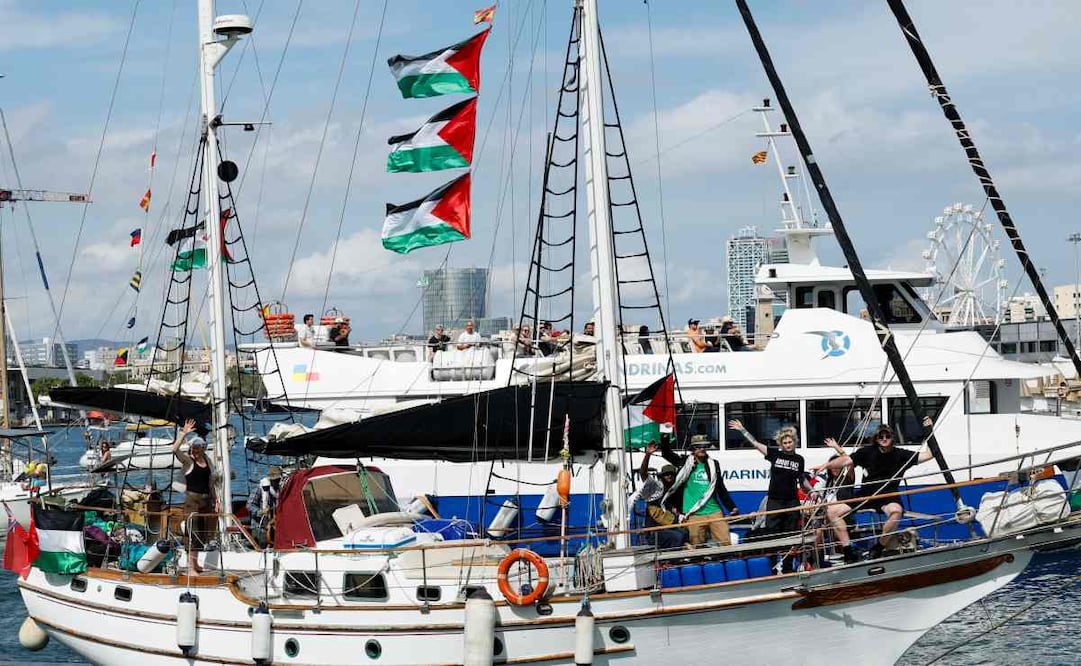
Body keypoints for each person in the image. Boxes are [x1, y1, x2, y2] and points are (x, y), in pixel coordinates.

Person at [813, 417, 935, 562]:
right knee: (832, 511)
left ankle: (879, 547)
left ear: (892, 437)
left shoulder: (901, 454)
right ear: (876, 439)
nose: (884, 438)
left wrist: (929, 431)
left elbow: (929, 455)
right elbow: (846, 460)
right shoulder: (867, 452)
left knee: (896, 512)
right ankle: (847, 550)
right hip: (866, 494)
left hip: (888, 495)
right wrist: (827, 465)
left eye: (887, 436)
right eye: (880, 436)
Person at [729, 420, 808, 537]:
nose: (788, 445)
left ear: (794, 442)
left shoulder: (799, 459)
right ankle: (774, 555)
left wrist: (812, 491)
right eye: (785, 443)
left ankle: (789, 554)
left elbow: (802, 478)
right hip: (774, 500)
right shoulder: (775, 455)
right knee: (772, 531)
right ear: (781, 444)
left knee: (791, 532)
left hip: (791, 501)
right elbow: (755, 443)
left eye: (790, 442)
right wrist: (742, 430)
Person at [660, 433, 739, 547]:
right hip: (694, 513)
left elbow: (720, 488)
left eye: (704, 446)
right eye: (698, 446)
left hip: (714, 511)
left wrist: (731, 506)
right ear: (692, 449)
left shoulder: (713, 464)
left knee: (726, 543)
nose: (702, 449)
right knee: (697, 547)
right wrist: (665, 438)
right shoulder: (685, 462)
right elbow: (667, 454)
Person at [173, 419, 220, 573]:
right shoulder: (188, 461)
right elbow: (175, 450)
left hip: (206, 500)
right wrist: (183, 434)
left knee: (202, 532)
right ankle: (191, 567)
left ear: (203, 448)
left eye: (198, 447)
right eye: (193, 447)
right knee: (191, 532)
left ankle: (196, 564)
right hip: (192, 501)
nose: (195, 450)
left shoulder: (207, 461)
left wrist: (216, 500)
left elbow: (210, 483)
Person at [630, 441, 688, 549]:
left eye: (671, 474)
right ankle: (671, 562)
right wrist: (648, 454)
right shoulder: (655, 488)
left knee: (686, 533)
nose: (669, 477)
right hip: (655, 532)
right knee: (678, 537)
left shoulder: (674, 491)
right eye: (666, 474)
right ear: (661, 476)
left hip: (668, 527)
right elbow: (643, 473)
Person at [247, 466, 283, 547]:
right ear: (270, 479)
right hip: (259, 526)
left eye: (278, 480)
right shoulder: (259, 489)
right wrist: (261, 511)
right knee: (263, 543)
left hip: (273, 525)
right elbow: (249, 505)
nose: (277, 482)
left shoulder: (278, 490)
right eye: (275, 480)